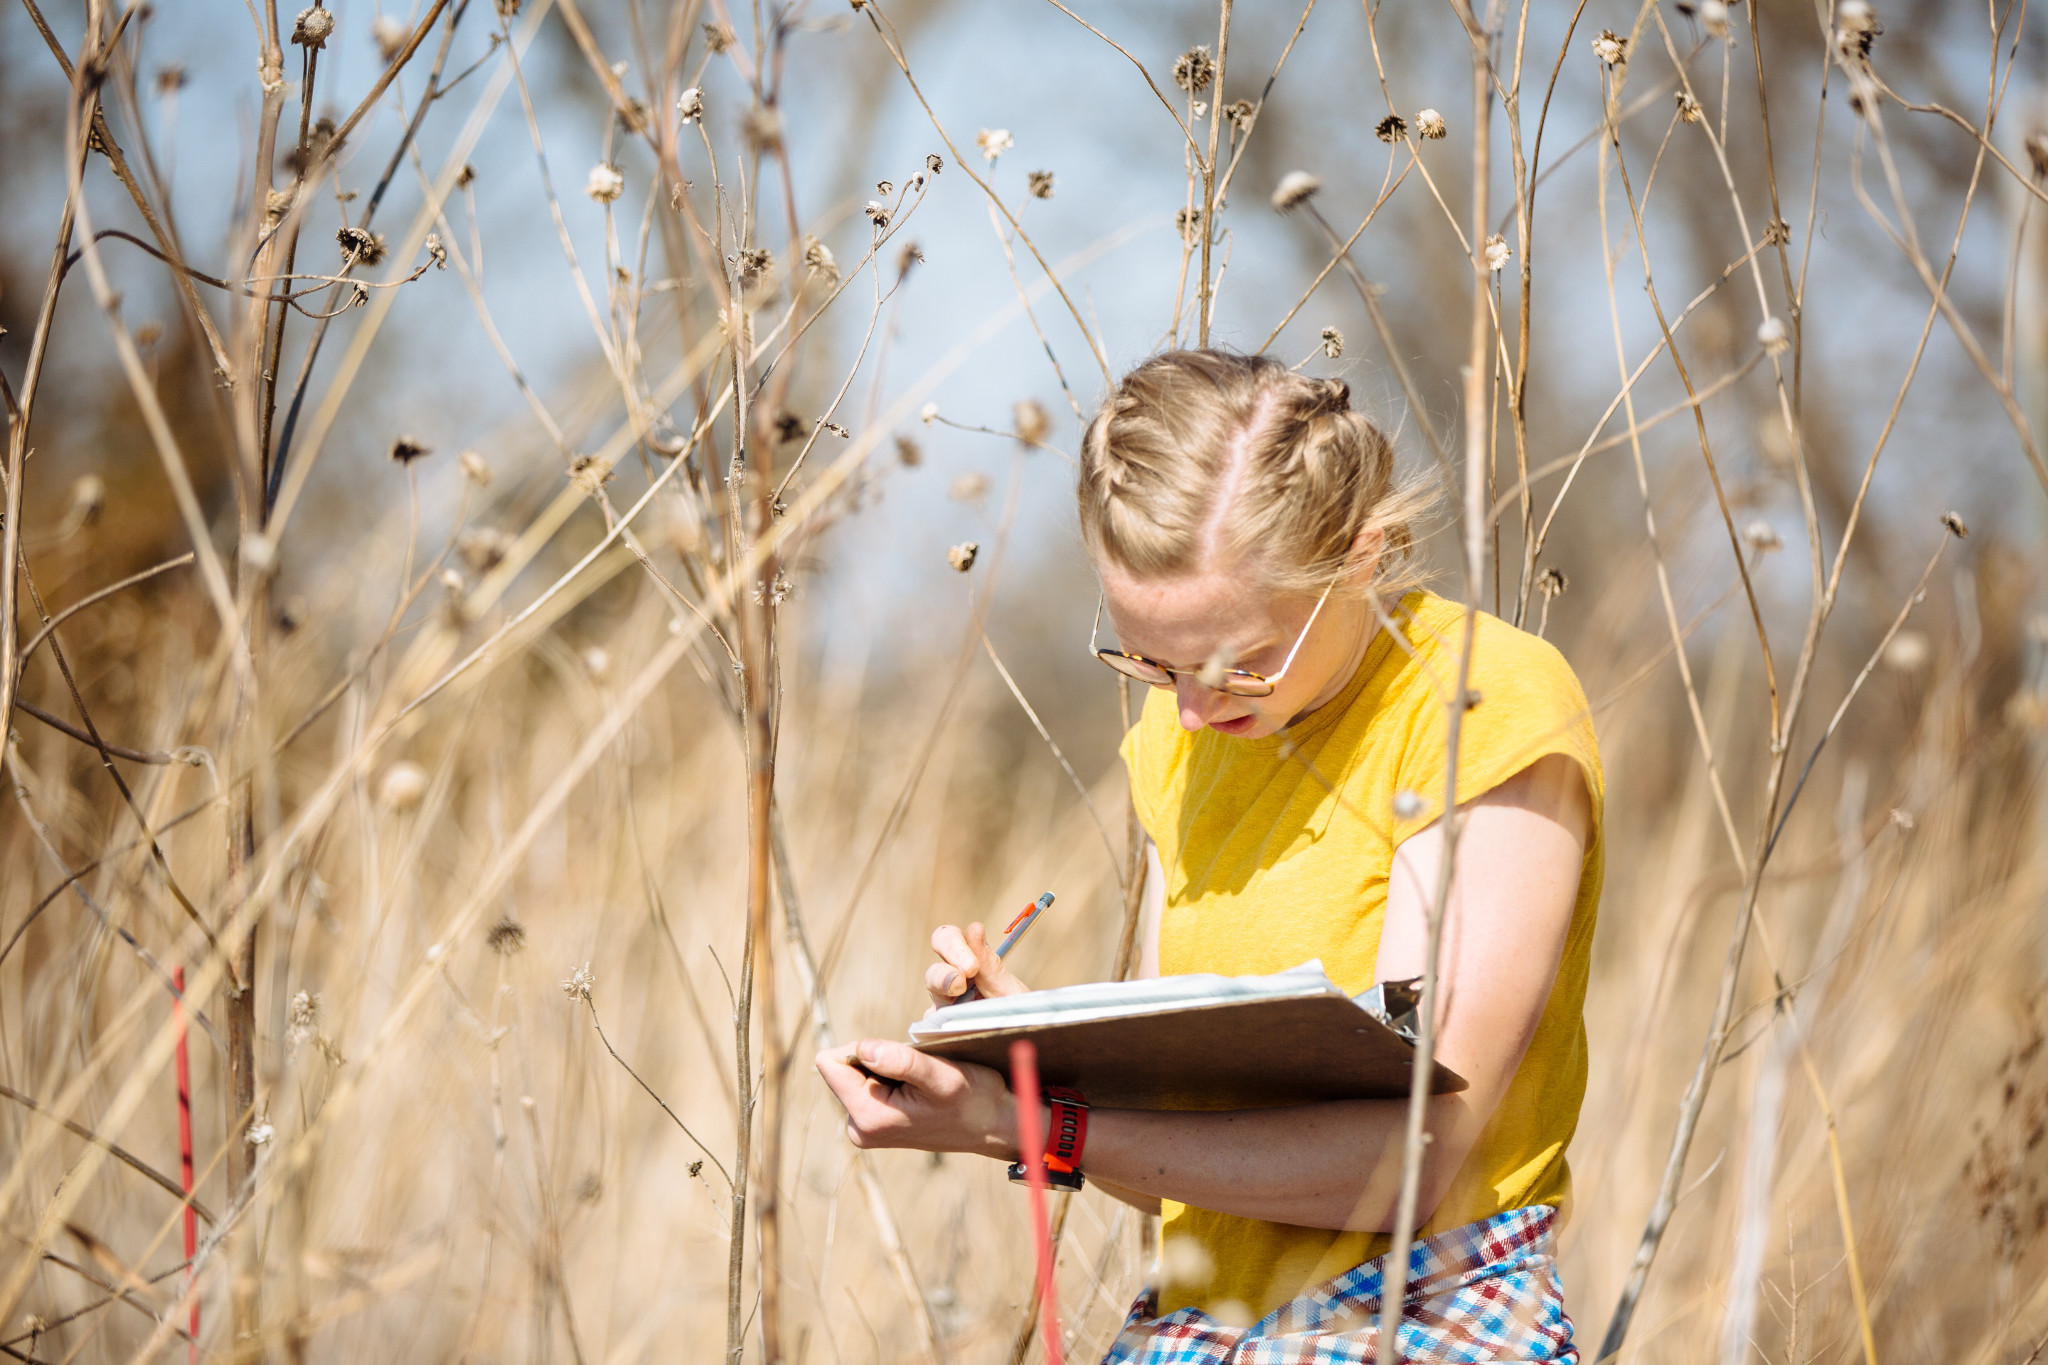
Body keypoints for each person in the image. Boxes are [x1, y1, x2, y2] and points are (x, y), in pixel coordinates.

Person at [816, 349, 1602, 1362]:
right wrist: (1035, 1060)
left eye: (1240, 661)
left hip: (1415, 1321)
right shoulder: (1179, 744)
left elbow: (1407, 1166)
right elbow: (1168, 1163)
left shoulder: (1477, 704)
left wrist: (1033, 1127)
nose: (1190, 708)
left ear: (1359, 557)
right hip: (1200, 1322)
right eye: (1148, 660)